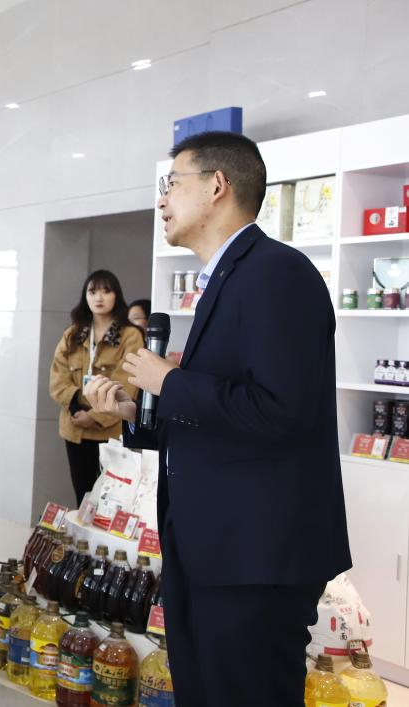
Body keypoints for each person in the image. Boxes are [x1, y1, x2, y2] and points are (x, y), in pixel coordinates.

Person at [83, 131, 351, 705]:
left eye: (171, 184)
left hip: (256, 555)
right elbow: (230, 417)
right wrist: (139, 412)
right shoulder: (228, 279)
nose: (161, 200)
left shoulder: (278, 273)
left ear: (217, 186)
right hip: (214, 548)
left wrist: (170, 383)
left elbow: (284, 412)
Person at [48, 270, 143, 505]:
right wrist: (76, 409)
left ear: (116, 296)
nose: (99, 297)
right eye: (92, 292)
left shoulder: (130, 335)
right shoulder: (73, 334)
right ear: (85, 296)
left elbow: (127, 383)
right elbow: (58, 378)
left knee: (111, 499)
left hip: (110, 430)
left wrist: (94, 416)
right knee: (83, 495)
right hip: (75, 427)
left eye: (106, 291)